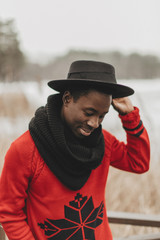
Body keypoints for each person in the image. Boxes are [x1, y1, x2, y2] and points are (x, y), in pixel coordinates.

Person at [0, 60, 150, 240]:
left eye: (102, 116)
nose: (94, 123)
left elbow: (138, 162)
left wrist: (129, 116)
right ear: (67, 99)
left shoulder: (103, 143)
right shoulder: (25, 150)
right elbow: (10, 212)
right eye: (89, 112)